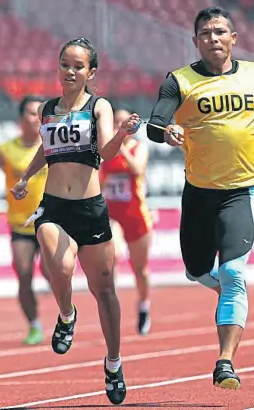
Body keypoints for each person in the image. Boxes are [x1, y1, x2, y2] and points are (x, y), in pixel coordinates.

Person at [146, 7, 254, 390]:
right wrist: (166, 132)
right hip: (200, 192)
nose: (213, 38)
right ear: (195, 41)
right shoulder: (179, 81)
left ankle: (225, 362)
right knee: (196, 270)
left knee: (233, 273)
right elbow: (156, 122)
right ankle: (226, 291)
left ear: (234, 38)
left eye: (220, 31)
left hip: (245, 188)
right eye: (205, 33)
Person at [10, 37, 141, 405]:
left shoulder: (99, 106)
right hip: (54, 206)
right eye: (65, 64)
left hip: (91, 209)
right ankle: (67, 315)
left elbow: (104, 151)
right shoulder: (48, 109)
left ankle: (113, 363)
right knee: (59, 264)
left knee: (106, 293)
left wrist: (121, 133)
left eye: (78, 66)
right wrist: (26, 177)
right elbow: (45, 148)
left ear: (91, 72)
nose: (70, 71)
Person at [0, 95, 49, 345]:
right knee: (24, 274)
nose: (36, 118)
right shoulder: (7, 149)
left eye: (39, 113)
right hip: (21, 224)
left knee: (54, 273)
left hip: (51, 221)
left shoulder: (52, 145)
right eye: (30, 113)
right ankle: (34, 326)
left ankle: (66, 317)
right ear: (20, 120)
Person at [101, 107, 152, 335]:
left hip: (136, 215)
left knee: (140, 269)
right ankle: (112, 309)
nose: (119, 125)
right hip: (112, 215)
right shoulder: (105, 152)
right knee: (112, 255)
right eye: (116, 122)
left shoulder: (138, 148)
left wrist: (121, 145)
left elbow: (138, 169)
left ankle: (143, 305)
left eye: (123, 122)